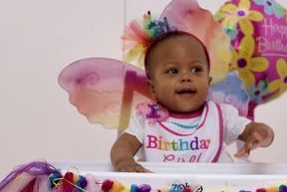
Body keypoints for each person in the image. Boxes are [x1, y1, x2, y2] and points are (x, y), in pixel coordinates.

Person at [110, 31, 274, 172]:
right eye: (173, 71)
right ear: (153, 88)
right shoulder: (145, 120)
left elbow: (251, 129)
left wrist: (262, 133)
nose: (186, 77)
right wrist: (124, 161)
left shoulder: (221, 115)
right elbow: (122, 146)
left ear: (208, 82)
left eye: (196, 69)